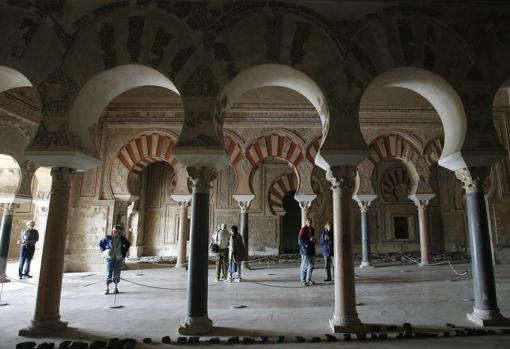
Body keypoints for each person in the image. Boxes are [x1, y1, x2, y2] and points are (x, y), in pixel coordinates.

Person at [99, 225, 131, 295]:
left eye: (116, 231)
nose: (114, 232)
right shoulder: (107, 238)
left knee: (117, 273)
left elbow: (128, 244)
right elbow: (100, 243)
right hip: (109, 258)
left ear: (119, 232)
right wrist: (104, 251)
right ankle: (107, 288)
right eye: (113, 230)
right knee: (108, 273)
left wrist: (124, 251)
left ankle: (115, 287)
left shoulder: (122, 238)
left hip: (118, 258)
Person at [298, 217, 316, 286]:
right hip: (305, 251)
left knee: (311, 266)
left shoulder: (312, 229)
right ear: (305, 222)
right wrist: (309, 241)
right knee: (304, 266)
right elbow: (300, 241)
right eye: (308, 221)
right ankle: (303, 280)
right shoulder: (303, 230)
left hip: (311, 250)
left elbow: (313, 239)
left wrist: (314, 240)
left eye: (310, 221)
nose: (309, 222)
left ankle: (309, 279)